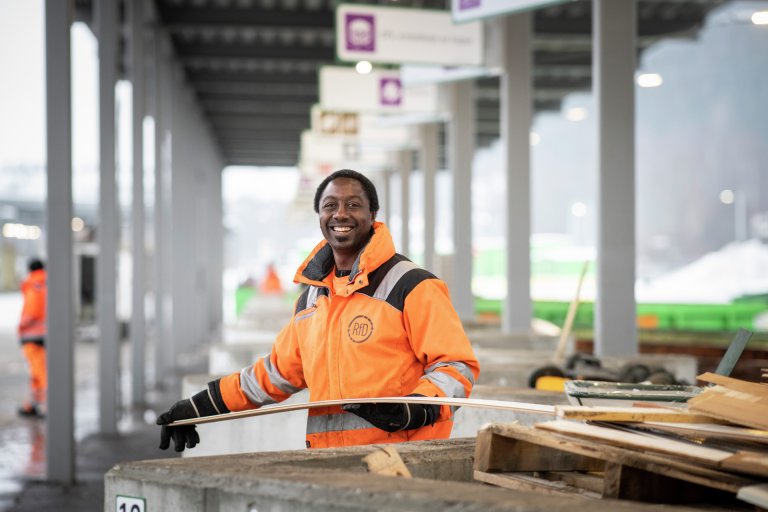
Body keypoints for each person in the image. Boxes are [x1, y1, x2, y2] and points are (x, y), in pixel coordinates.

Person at [157, 169, 480, 451]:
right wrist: (200, 405)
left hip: (402, 466)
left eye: (354, 204)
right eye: (330, 205)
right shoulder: (313, 299)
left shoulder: (413, 285)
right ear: (320, 217)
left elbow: (456, 367)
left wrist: (416, 408)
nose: (341, 213)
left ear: (372, 215)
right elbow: (277, 374)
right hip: (330, 466)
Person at [18, 258, 47, 418]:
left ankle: (44, 406)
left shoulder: (34, 284)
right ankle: (32, 404)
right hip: (45, 335)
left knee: (39, 373)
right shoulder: (48, 283)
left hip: (32, 336)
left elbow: (32, 309)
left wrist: (22, 325)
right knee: (39, 372)